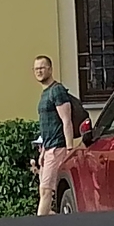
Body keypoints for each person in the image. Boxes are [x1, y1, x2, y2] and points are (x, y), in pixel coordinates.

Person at [33, 55, 80, 216]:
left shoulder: (57, 90)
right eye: (36, 69)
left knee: (46, 191)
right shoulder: (44, 93)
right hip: (48, 149)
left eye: (42, 67)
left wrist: (69, 149)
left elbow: (66, 121)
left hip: (58, 148)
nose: (39, 71)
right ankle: (56, 221)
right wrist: (43, 151)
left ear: (50, 69)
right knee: (44, 192)